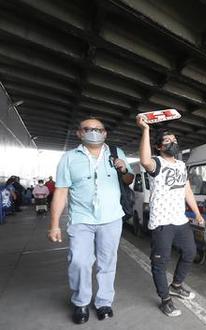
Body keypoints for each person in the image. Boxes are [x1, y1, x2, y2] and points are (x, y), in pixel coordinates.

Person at [47, 117, 134, 324]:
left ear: (105, 133)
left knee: (107, 262)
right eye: (88, 129)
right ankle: (81, 302)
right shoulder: (68, 158)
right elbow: (60, 192)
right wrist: (54, 224)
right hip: (81, 219)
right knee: (79, 262)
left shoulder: (116, 153)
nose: (94, 132)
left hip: (111, 218)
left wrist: (123, 169)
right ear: (79, 133)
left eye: (98, 129)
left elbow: (129, 180)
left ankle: (104, 302)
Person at [137, 115, 204, 317]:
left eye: (174, 140)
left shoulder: (181, 165)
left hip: (180, 219)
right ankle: (165, 299)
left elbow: (187, 191)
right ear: (158, 147)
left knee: (190, 252)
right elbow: (144, 160)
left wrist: (198, 214)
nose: (172, 143)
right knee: (160, 262)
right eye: (167, 141)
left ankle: (176, 285)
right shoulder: (157, 162)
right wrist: (145, 130)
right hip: (162, 222)